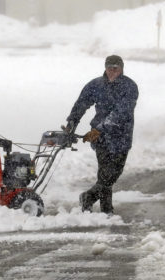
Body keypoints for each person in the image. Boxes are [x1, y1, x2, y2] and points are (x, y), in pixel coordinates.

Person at [64, 55, 139, 214]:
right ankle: (106, 210)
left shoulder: (130, 87)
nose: (112, 71)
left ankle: (89, 197)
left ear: (121, 69)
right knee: (105, 174)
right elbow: (81, 105)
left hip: (121, 137)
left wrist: (100, 128)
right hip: (101, 139)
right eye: (109, 68)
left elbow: (121, 113)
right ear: (105, 68)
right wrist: (72, 123)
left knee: (113, 174)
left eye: (115, 68)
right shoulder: (96, 85)